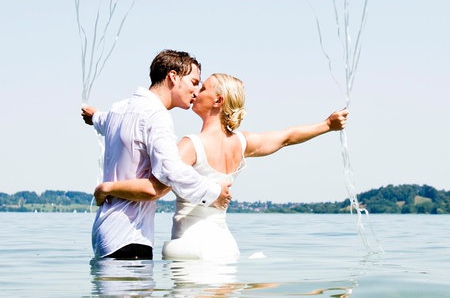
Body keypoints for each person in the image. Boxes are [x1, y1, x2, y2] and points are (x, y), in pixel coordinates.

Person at [94, 73, 348, 261]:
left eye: (202, 88)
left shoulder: (190, 145)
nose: (196, 92)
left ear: (218, 100)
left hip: (190, 247)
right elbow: (286, 137)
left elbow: (157, 188)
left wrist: (110, 188)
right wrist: (327, 124)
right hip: (224, 244)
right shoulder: (241, 143)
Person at [82, 50, 232, 260]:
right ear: (173, 77)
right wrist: (214, 192)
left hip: (104, 231)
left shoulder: (118, 109)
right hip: (130, 237)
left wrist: (93, 116)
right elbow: (170, 172)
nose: (196, 91)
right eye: (194, 81)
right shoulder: (157, 115)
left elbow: (102, 119)